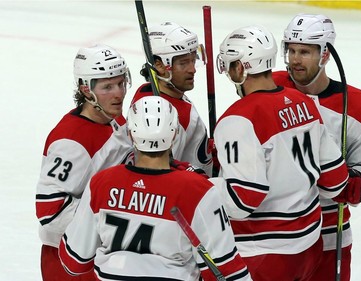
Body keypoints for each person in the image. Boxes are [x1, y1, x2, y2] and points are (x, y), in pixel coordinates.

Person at [58, 96, 252, 281]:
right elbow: (228, 271)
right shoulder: (197, 190)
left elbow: (73, 261)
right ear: (175, 133)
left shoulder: (101, 183)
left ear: (130, 134)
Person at [213, 24, 350, 281]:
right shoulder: (304, 103)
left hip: (262, 253)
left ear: (241, 67)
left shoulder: (238, 118)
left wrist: (203, 185)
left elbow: (243, 201)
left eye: (230, 64)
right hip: (310, 247)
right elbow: (335, 182)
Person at [273, 13, 361, 281]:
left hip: (330, 234)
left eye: (305, 52)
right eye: (291, 50)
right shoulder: (270, 88)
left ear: (325, 54)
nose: (295, 59)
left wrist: (357, 182)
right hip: (276, 236)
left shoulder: (358, 107)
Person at [35, 44, 134, 281]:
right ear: (86, 90)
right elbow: (49, 213)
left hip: (103, 255)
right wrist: (114, 221)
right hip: (69, 262)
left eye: (121, 83)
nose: (119, 93)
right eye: (107, 87)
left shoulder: (115, 119)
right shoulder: (70, 142)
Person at [132, 21, 213, 176]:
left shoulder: (153, 93)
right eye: (183, 63)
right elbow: (160, 172)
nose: (193, 69)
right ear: (160, 66)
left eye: (193, 60)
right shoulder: (165, 116)